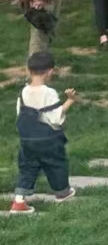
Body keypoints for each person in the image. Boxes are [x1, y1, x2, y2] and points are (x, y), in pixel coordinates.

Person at [10, 51, 76, 214]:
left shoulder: (23, 92)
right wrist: (70, 100)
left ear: (29, 70)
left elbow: (20, 113)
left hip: (27, 140)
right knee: (56, 164)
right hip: (48, 139)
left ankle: (19, 201)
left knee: (27, 168)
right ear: (50, 71)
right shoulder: (49, 92)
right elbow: (55, 118)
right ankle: (62, 193)